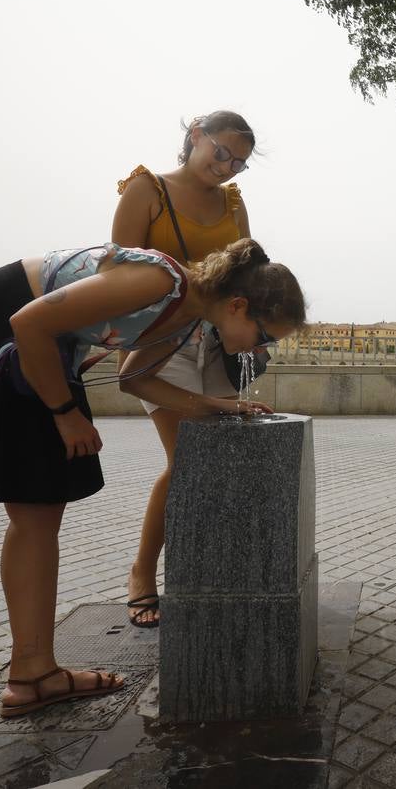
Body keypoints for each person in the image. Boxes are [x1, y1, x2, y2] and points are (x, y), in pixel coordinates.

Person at [0, 238, 304, 776]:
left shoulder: (185, 319)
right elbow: (27, 322)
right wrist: (63, 413)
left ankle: (34, 673)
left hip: (43, 359)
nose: (258, 350)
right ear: (239, 305)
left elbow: (134, 377)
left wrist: (219, 405)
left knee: (39, 510)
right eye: (265, 337)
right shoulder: (162, 281)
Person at [110, 111, 258, 628]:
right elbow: (116, 273)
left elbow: (247, 272)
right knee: (187, 459)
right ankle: (142, 572)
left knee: (213, 458)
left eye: (239, 162)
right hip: (161, 342)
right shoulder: (146, 189)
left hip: (215, 344)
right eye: (222, 152)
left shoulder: (233, 203)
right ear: (195, 135)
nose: (228, 167)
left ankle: (206, 568)